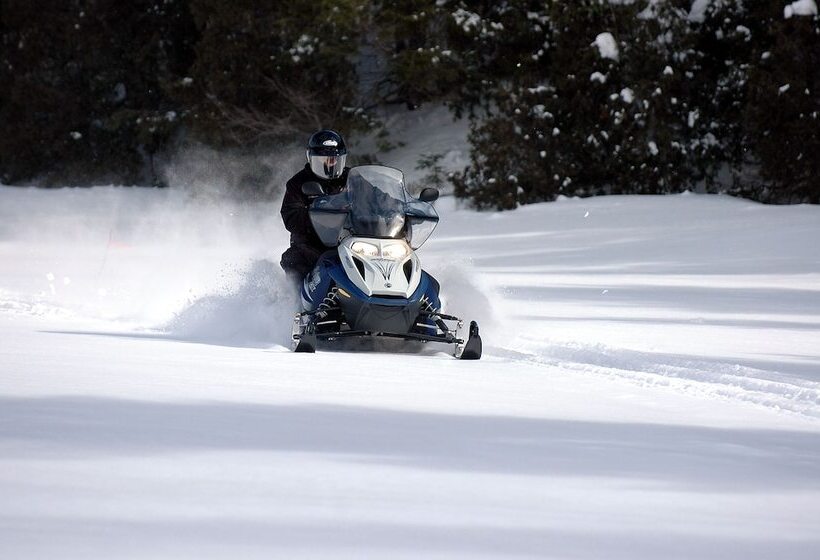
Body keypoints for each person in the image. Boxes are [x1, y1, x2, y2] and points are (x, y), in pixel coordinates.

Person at [280, 129, 350, 281]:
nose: (331, 163)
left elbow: (377, 196)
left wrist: (396, 205)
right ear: (312, 159)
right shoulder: (298, 183)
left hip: (350, 238)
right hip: (313, 241)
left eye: (335, 159)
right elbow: (290, 215)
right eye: (324, 159)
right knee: (295, 260)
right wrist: (318, 215)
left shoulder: (352, 178)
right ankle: (295, 301)